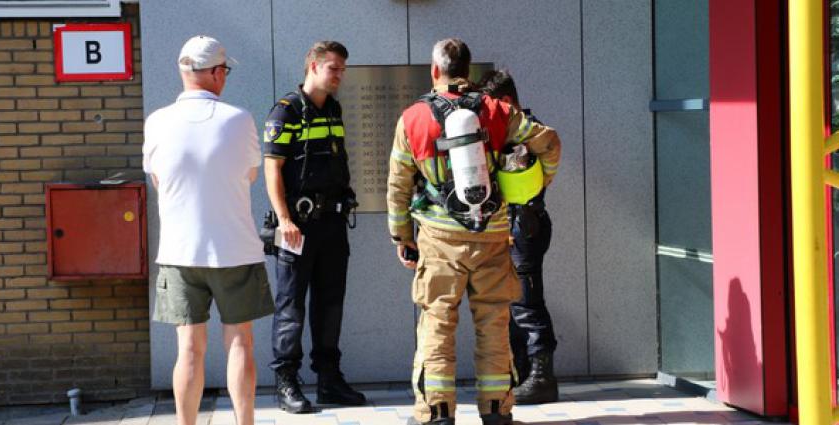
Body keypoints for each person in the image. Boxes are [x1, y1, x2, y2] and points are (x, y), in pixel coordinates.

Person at [387, 39, 562, 425]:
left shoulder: (412, 119)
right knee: (495, 327)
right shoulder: (498, 110)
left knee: (436, 326)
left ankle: (438, 413)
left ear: (435, 71)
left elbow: (398, 187)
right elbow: (549, 143)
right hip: (493, 237)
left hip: (438, 241)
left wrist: (403, 238)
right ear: (467, 69)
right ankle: (497, 411)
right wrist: (535, 186)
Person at [143, 35, 274, 425]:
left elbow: (157, 182)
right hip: (235, 248)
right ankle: (245, 421)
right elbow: (250, 175)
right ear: (217, 73)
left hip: (180, 252)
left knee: (188, 349)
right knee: (241, 342)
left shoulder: (157, 121)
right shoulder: (238, 119)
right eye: (225, 71)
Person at [262, 40, 365, 414]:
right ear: (313, 66)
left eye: (342, 70)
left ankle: (329, 380)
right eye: (333, 68)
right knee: (291, 307)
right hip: (297, 227)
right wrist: (285, 219)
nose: (339, 76)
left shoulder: (333, 109)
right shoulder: (286, 111)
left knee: (329, 305)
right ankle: (287, 384)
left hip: (332, 225)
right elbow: (272, 169)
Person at [479, 70, 560, 404]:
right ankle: (523, 375)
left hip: (523, 226)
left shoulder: (524, 132)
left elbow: (551, 150)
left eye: (491, 105)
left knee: (526, 303)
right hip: (511, 227)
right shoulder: (506, 130)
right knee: (512, 305)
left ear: (506, 101)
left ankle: (542, 378)